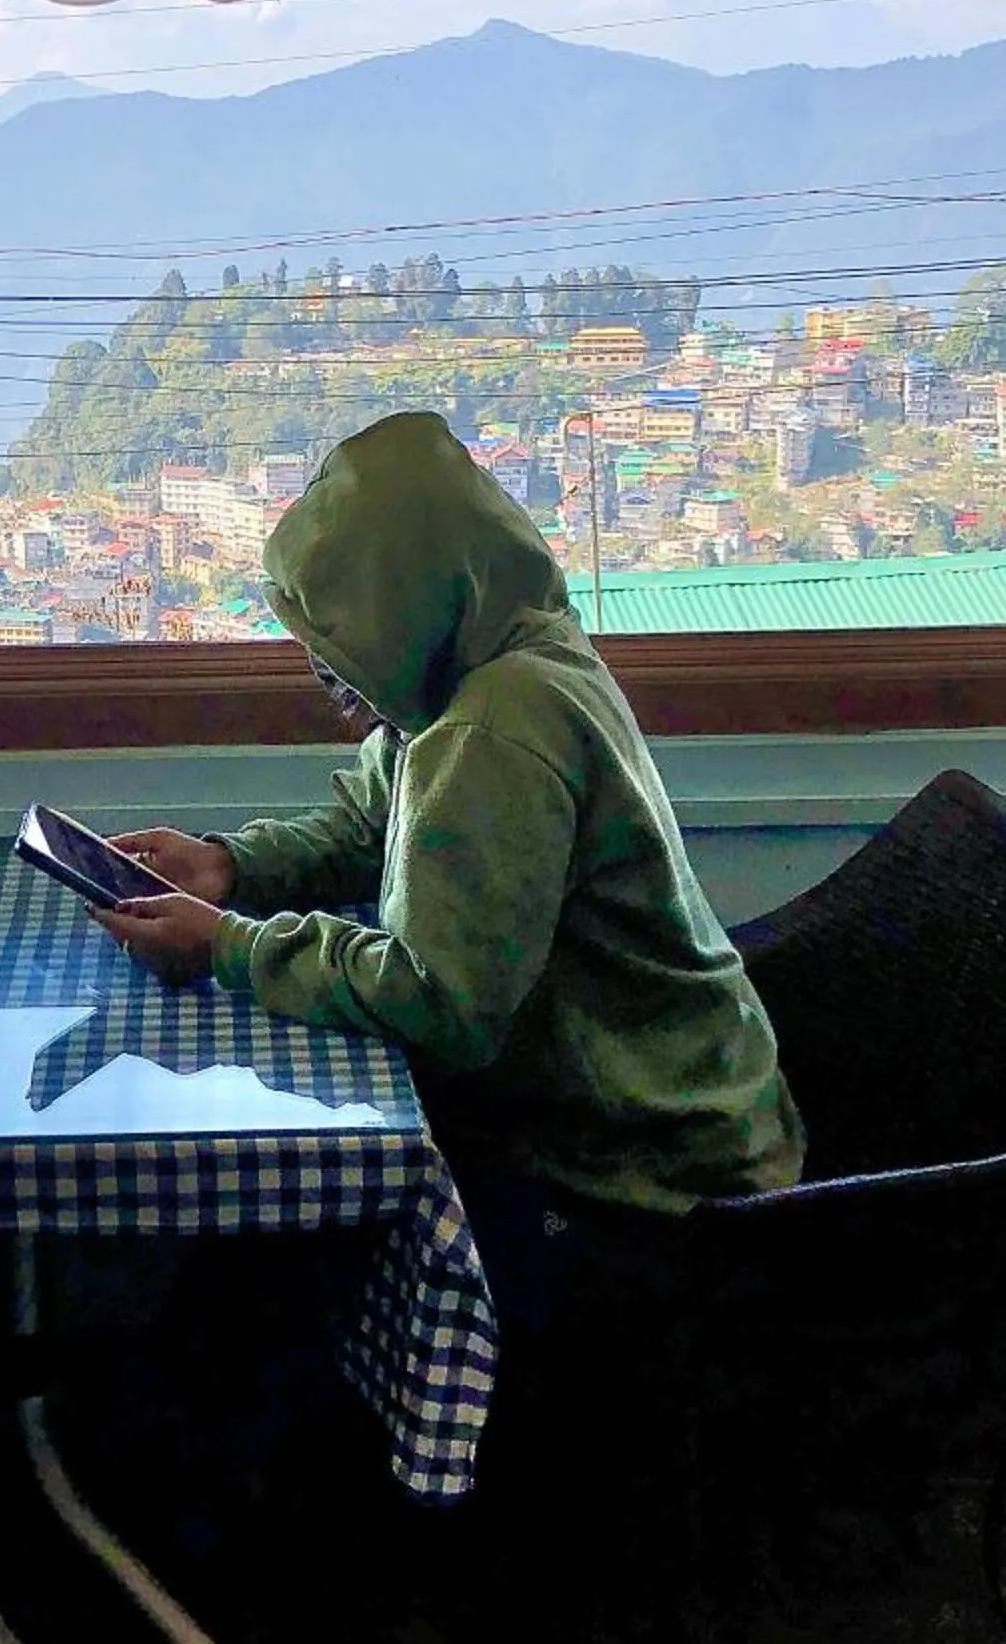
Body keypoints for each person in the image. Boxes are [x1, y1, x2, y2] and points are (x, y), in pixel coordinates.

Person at [89, 410, 803, 1424]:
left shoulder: (494, 732)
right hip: (679, 1101)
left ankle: (350, 1525)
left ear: (405, 607)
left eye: (335, 640)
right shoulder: (495, 657)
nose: (322, 673)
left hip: (635, 1175)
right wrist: (230, 867)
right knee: (263, 1256)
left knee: (281, 1254)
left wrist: (232, 948)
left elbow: (444, 1004)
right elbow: (368, 824)